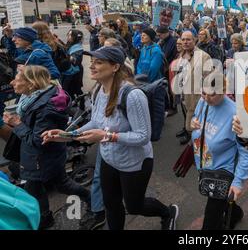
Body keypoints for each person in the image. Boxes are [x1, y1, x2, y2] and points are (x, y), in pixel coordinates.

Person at [42, 47, 179, 230]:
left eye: (98, 62)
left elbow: (143, 136)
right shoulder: (98, 90)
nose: (91, 67)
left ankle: (168, 213)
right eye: (92, 62)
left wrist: (107, 136)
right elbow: (95, 123)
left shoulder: (133, 95)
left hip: (135, 163)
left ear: (115, 67)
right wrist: (65, 135)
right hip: (109, 159)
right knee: (111, 204)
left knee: (134, 206)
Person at [3, 66, 91, 230]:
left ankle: (90, 198)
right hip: (40, 157)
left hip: (42, 157)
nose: (12, 81)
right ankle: (45, 217)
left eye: (17, 78)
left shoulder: (46, 107)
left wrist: (16, 124)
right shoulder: (32, 97)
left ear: (31, 84)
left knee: (56, 185)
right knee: (38, 187)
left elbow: (38, 140)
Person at [191, 78, 248, 230]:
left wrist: (238, 181)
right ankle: (235, 213)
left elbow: (247, 152)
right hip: (205, 166)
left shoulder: (236, 114)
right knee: (222, 202)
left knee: (210, 222)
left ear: (223, 91)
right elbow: (197, 119)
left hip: (222, 173)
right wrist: (193, 122)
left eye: (212, 95)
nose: (206, 98)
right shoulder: (203, 102)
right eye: (203, 93)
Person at [172, 31, 212, 145]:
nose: (185, 42)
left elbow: (210, 80)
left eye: (188, 39)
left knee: (198, 129)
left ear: (194, 41)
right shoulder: (181, 55)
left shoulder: (204, 56)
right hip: (185, 97)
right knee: (188, 121)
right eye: (183, 39)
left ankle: (196, 148)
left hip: (198, 100)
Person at [61, 30, 84, 104]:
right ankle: (73, 103)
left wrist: (65, 53)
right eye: (68, 34)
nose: (68, 36)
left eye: (70, 35)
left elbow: (75, 61)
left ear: (75, 37)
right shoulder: (70, 44)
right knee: (69, 89)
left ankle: (82, 105)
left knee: (77, 89)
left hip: (76, 72)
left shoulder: (78, 48)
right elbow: (65, 48)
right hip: (69, 71)